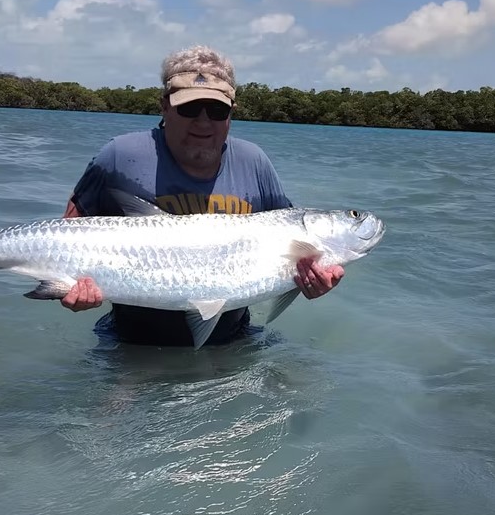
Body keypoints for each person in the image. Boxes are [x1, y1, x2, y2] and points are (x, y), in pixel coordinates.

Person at [60, 45, 344, 347]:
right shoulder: (120, 156)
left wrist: (310, 281)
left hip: (232, 341)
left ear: (232, 112)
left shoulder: (255, 162)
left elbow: (289, 246)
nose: (204, 121)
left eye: (217, 109)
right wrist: (69, 285)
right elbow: (67, 233)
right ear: (165, 107)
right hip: (130, 343)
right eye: (190, 108)